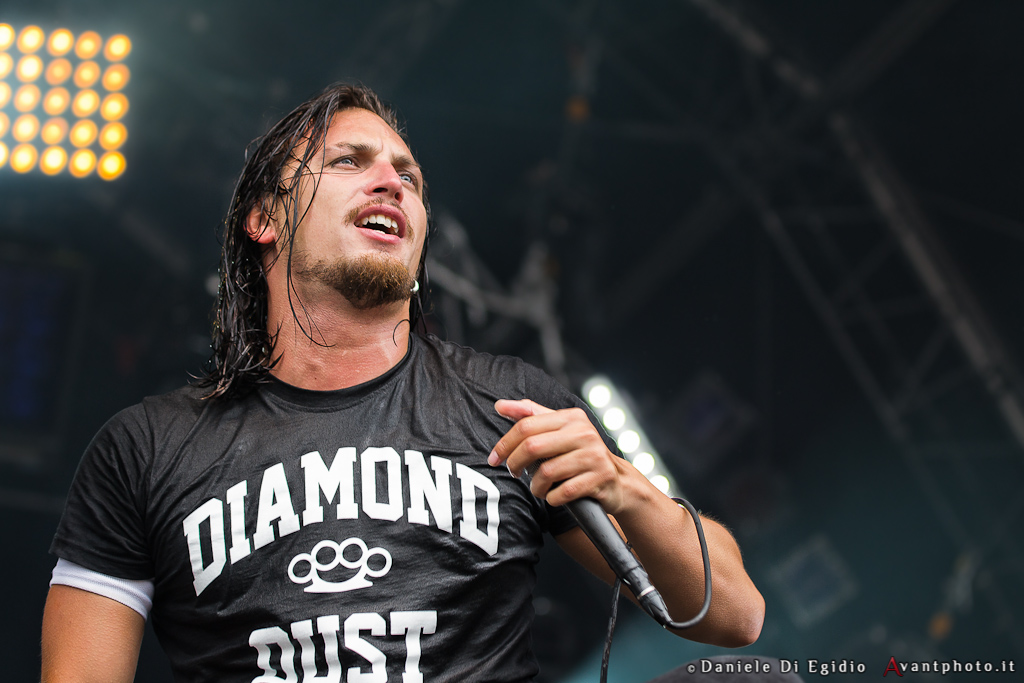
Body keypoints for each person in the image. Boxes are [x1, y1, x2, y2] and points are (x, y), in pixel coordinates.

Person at [41, 83, 764, 682]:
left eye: (408, 176)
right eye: (348, 161)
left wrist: (622, 484)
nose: (391, 181)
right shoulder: (144, 450)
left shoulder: (511, 403)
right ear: (264, 218)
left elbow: (734, 615)